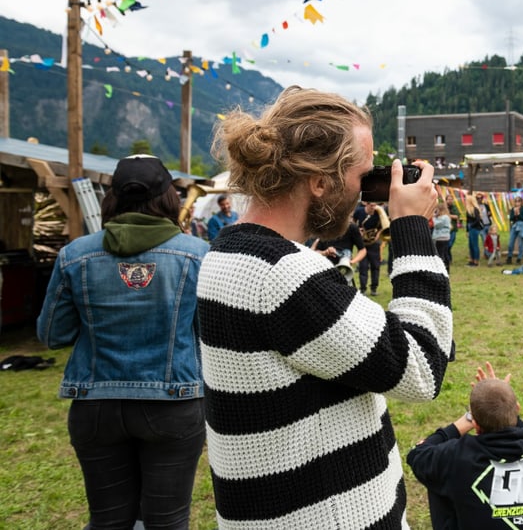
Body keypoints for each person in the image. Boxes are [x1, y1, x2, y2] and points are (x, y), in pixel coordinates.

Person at [198, 86, 453, 529]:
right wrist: (411, 225)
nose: (364, 194)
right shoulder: (284, 275)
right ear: (319, 182)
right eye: (362, 177)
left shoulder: (227, 253)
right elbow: (423, 367)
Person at [37, 155, 209, 529]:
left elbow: (52, 335)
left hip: (95, 405)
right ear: (168, 200)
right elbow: (210, 335)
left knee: (109, 520)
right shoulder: (198, 255)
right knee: (167, 521)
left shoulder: (74, 256)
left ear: (111, 198)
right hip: (173, 404)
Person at [407, 363, 523, 530]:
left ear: (476, 425)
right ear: (517, 409)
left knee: (437, 474)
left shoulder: (457, 457)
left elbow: (417, 454)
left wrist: (465, 421)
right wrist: (504, 404)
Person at [310, 221, 367, 286]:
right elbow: (315, 252)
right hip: (325, 273)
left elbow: (363, 250)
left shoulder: (351, 227)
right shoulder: (325, 227)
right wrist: (325, 252)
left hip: (344, 272)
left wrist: (351, 262)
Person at [357, 201, 386, 295]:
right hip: (363, 244)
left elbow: (383, 227)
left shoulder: (379, 212)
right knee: (363, 267)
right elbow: (352, 222)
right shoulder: (359, 211)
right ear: (367, 204)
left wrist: (378, 234)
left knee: (375, 267)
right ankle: (363, 289)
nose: (374, 207)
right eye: (372, 205)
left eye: (375, 205)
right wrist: (358, 231)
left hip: (374, 244)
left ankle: (374, 289)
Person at [465, 193, 491, 267]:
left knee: (474, 245)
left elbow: (477, 219)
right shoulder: (468, 209)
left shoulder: (475, 209)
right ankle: (471, 260)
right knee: (470, 245)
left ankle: (476, 261)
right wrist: (467, 230)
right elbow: (467, 220)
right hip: (470, 229)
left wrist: (471, 226)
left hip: (474, 228)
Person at [506, 196, 523, 264]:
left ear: (521, 202)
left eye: (519, 201)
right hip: (514, 226)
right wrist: (514, 214)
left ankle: (519, 258)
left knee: (520, 243)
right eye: (516, 201)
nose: (517, 203)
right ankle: (509, 257)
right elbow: (511, 218)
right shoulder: (513, 209)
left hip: (521, 226)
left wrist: (518, 214)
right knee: (510, 242)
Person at [433, 200, 452, 270]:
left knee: (441, 254)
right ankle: (446, 268)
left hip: (441, 238)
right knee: (444, 253)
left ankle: (442, 268)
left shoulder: (444, 217)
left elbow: (436, 225)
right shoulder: (445, 217)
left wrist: (433, 217)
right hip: (443, 237)